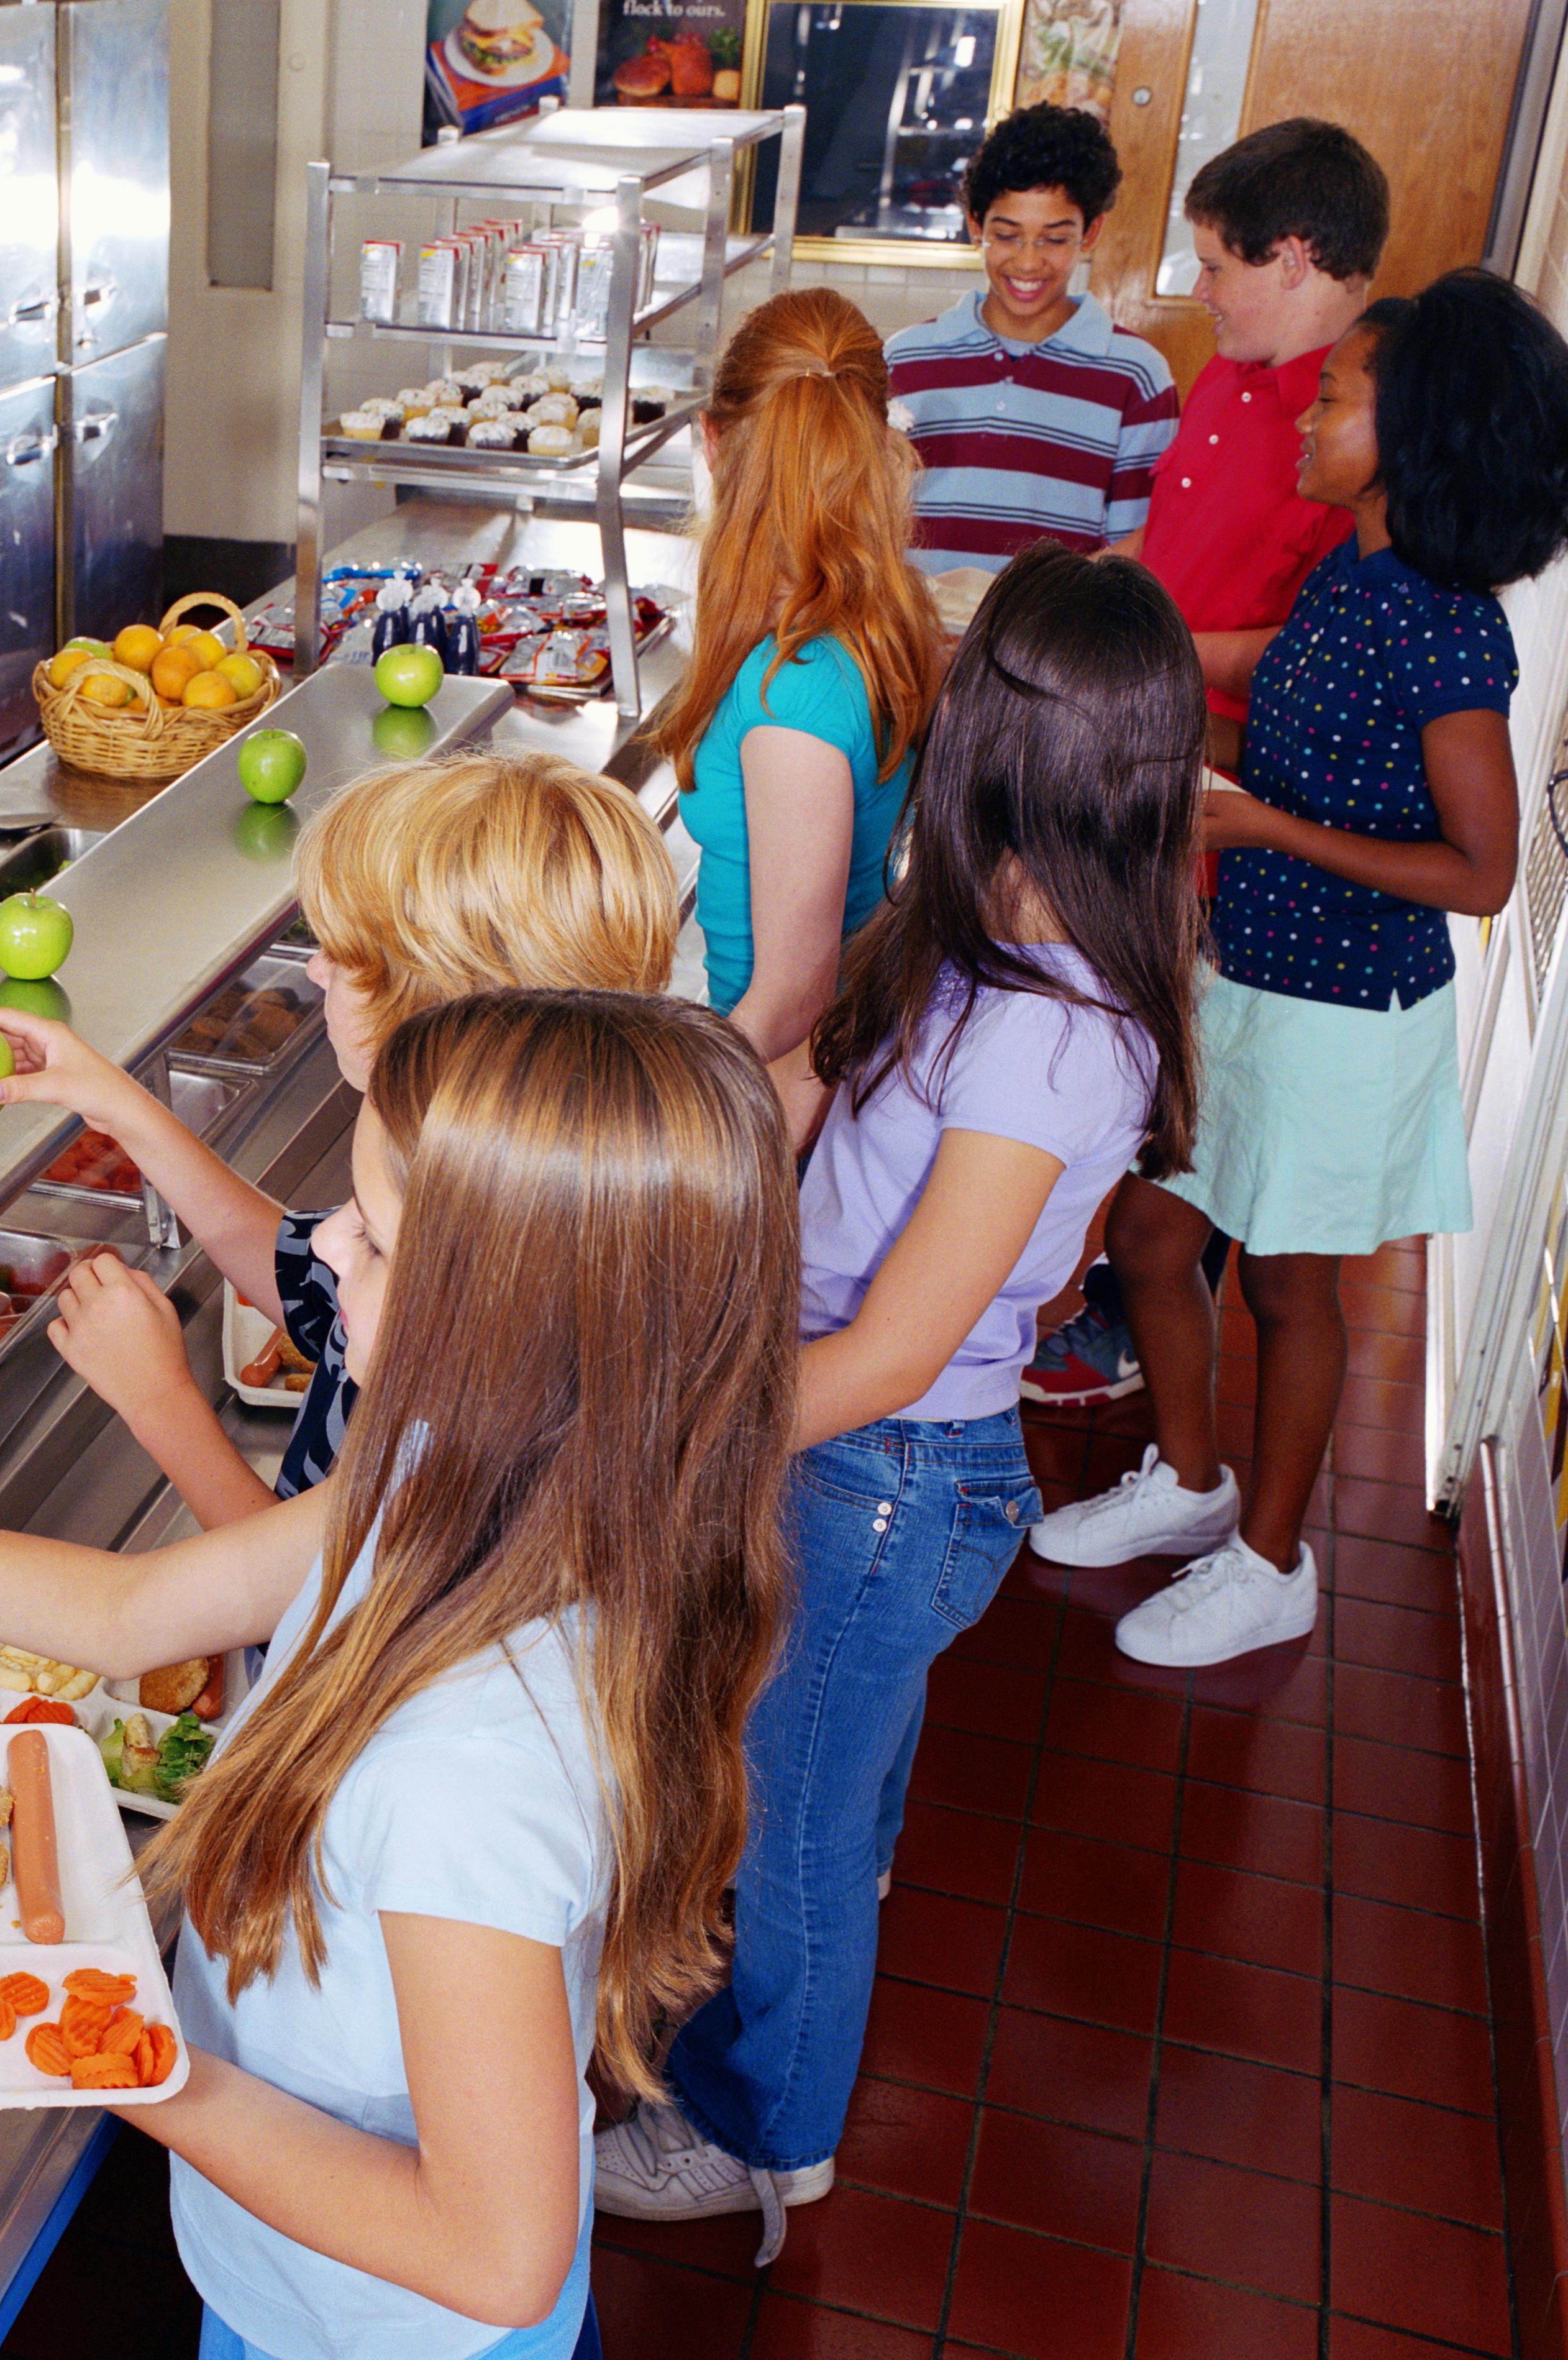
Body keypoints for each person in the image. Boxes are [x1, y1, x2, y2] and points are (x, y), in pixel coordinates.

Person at [0, 990, 802, 2360]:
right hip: (291, 2282)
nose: (329, 1251)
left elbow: (496, 2255)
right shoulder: (455, 1480)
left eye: (369, 1233)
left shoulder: (465, 1772)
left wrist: (132, 2058)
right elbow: (130, 1612)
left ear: (501, 1317)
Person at [595, 547, 1208, 2255]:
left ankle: (761, 2136)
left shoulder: (1054, 1027)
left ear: (1000, 745)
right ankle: (761, 2065)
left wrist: (662, 1422)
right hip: (873, 1459)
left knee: (783, 1842)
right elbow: (839, 1109)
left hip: (878, 1476)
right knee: (824, 1815)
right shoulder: (991, 929)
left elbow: (888, 1348)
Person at [1030, 270, 1568, 1668]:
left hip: (1346, 1013)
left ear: (1421, 431)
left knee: (1289, 1289)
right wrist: (1158, 715)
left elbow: (1483, 872)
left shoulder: (1450, 626)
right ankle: (1194, 1485)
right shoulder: (1350, 573)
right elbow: (1285, 719)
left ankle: (1274, 1561)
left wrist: (1263, 822)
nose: (1305, 422)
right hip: (1246, 973)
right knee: (1154, 1237)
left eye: (1335, 400)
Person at [0, 752, 677, 1531]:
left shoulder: (490, 1348)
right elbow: (309, 1286)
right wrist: (123, 1107)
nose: (314, 969)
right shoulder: (494, 1178)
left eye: (345, 956)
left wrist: (158, 1399)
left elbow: (305, 1600)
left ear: (429, 1003)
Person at [1025, 117, 1390, 1409]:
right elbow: (1180, 559)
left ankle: (1131, 1321)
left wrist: (1160, 641)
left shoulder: (1354, 425)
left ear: (1292, 258)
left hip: (1238, 806)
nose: (1201, 290)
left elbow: (1323, 654)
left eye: (1218, 264)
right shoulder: (1230, 380)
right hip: (1147, 758)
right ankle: (1106, 1284)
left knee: (1201, 1085)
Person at [650, 288, 941, 1059]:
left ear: (711, 442)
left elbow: (795, 994)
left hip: (777, 1092)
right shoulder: (874, 615)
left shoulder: (792, 688)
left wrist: (680, 1107)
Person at [885, 104, 1178, 572]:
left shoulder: (1137, 375)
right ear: (976, 225)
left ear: (1091, 232)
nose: (1027, 262)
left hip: (1044, 642)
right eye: (1007, 235)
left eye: (1054, 239)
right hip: (912, 634)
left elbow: (1133, 554)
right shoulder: (903, 360)